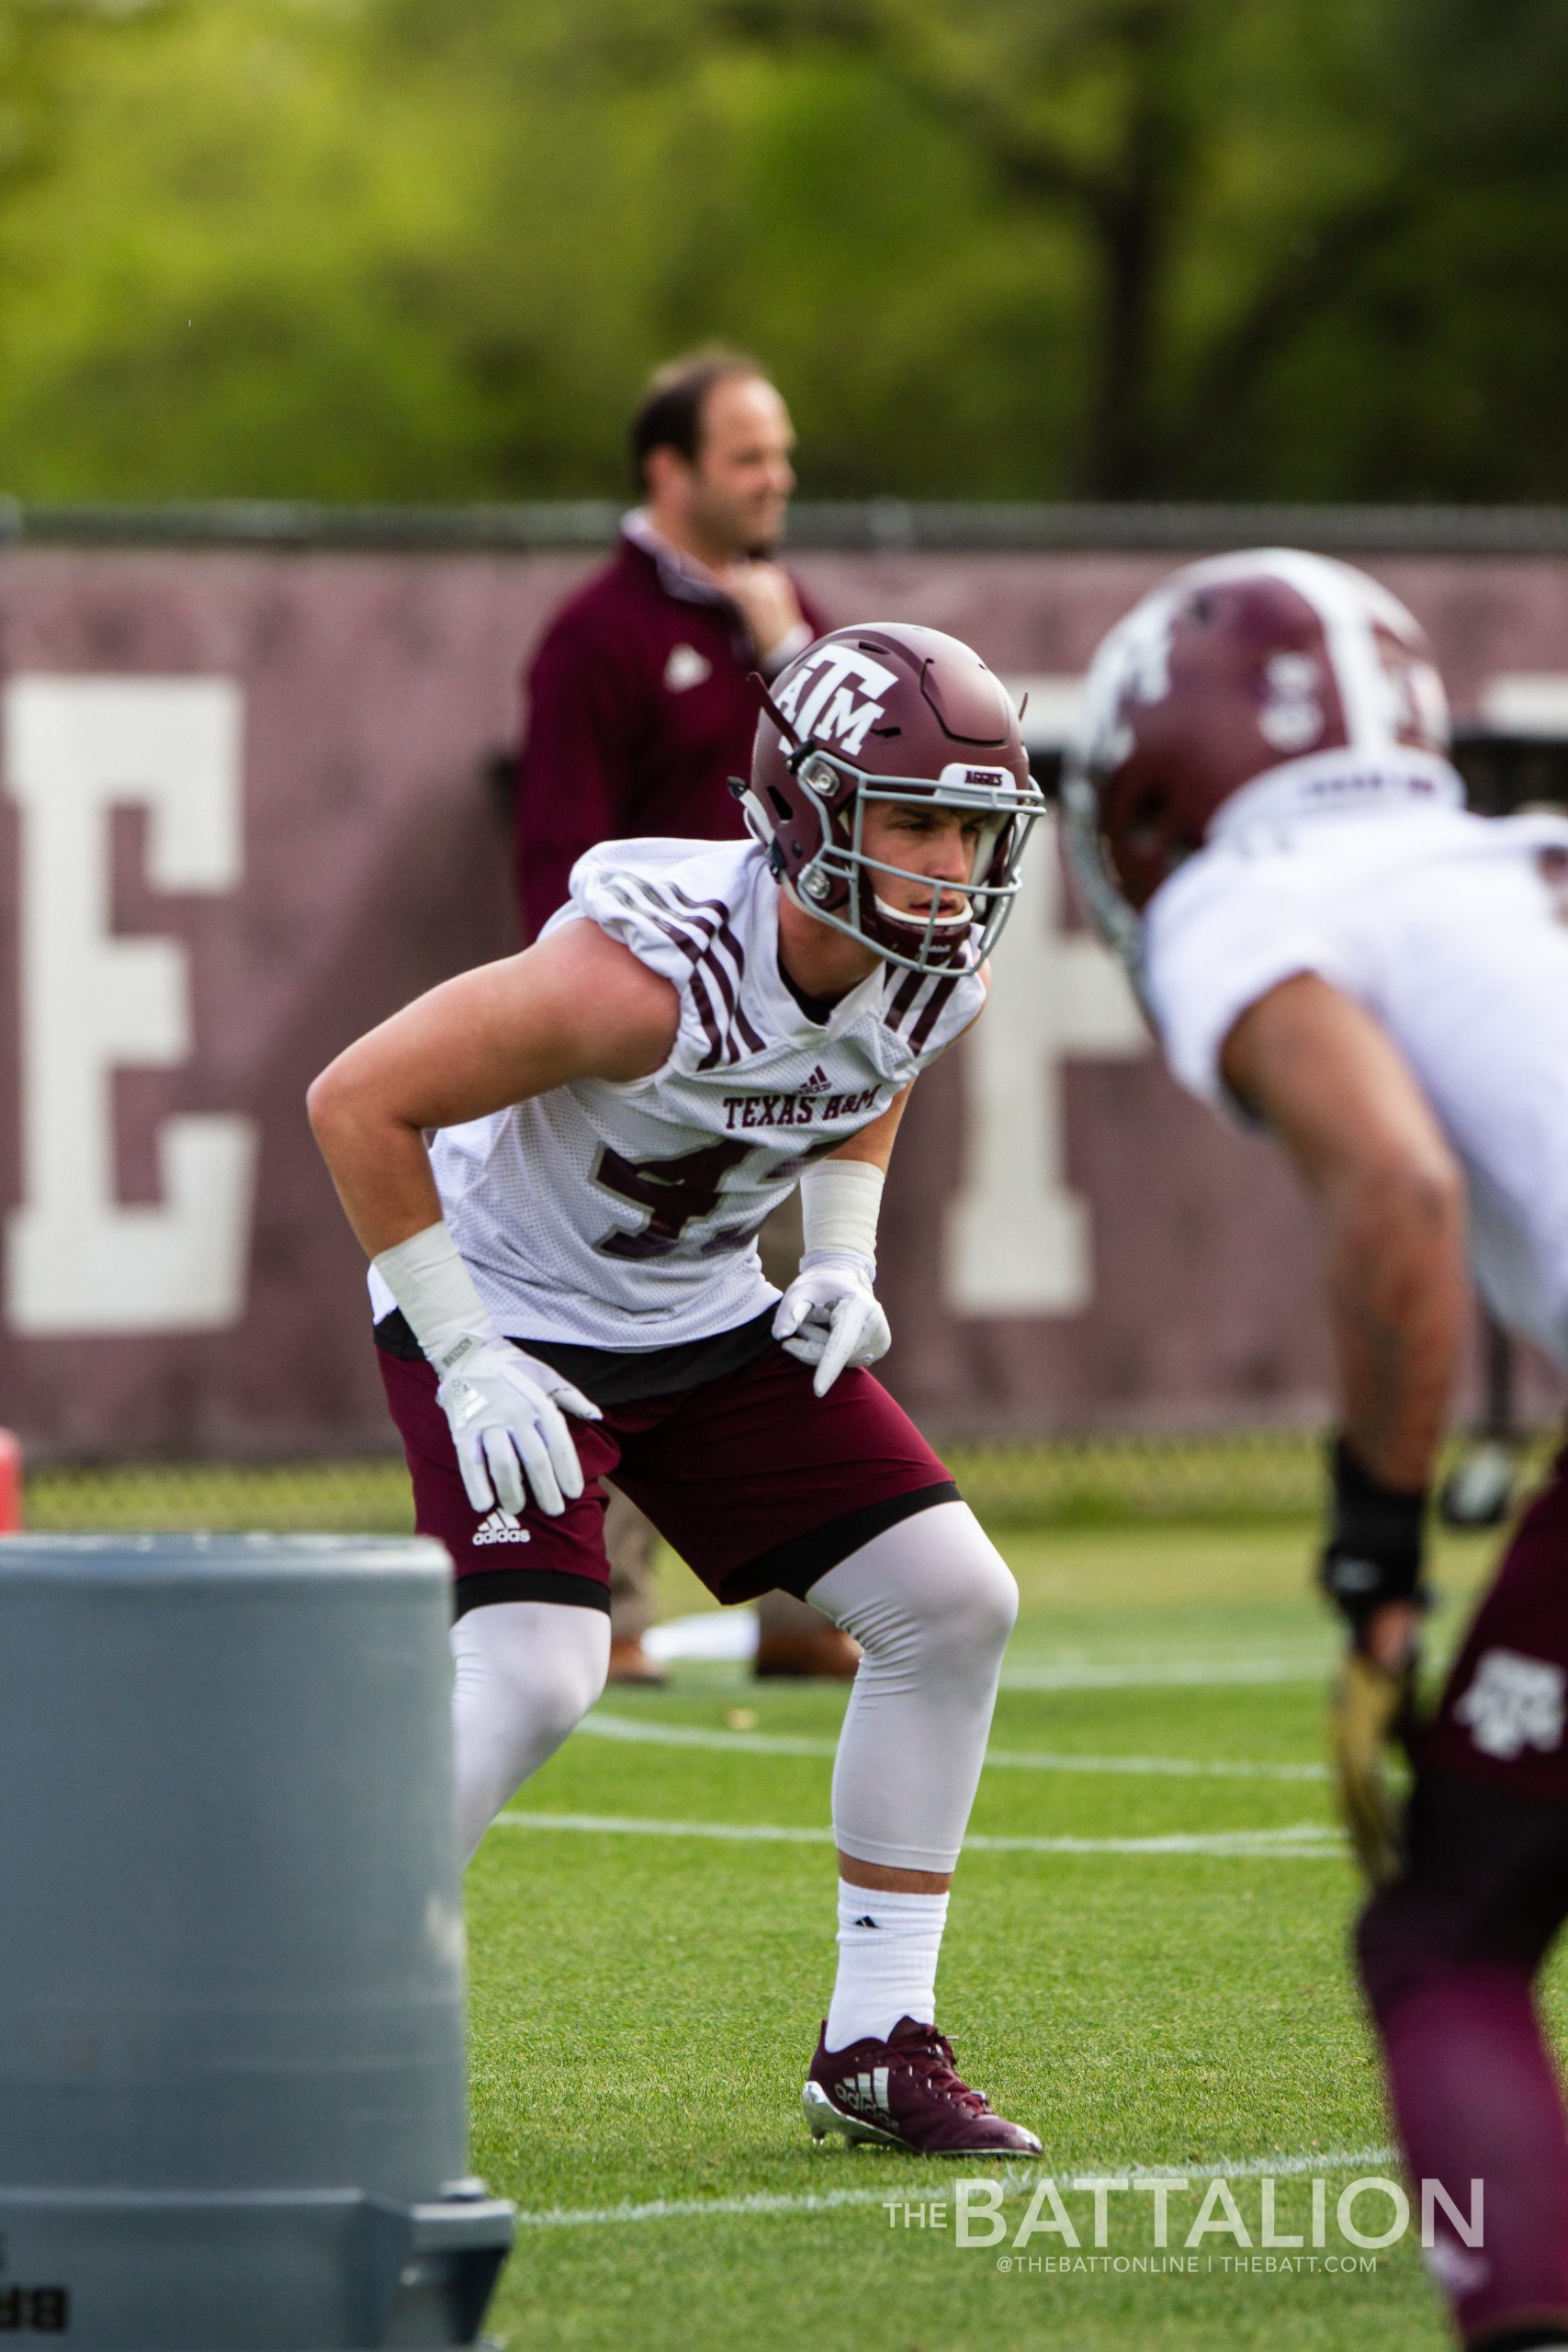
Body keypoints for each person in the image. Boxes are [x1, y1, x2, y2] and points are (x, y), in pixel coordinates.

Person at [310, 622, 1046, 2155]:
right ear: (807, 813)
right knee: (534, 1675)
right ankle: (288, 2014)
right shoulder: (640, 973)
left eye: (975, 825)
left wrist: (838, 1255)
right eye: (915, 817)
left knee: (954, 1600)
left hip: (702, 1313)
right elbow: (356, 1100)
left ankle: (877, 2035)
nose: (953, 861)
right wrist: (463, 1349)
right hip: (509, 1311)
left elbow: (864, 1077)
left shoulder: (929, 965)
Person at [1064, 548, 1568, 2350]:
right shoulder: (1509, 864)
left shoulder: (1250, 894)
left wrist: (1373, 1564)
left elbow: (1396, 1187)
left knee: (1440, 1938)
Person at [514, 346, 840, 1681]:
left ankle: (806, 1595)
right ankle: (613, 1605)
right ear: (671, 471)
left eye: (781, 454)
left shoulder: (787, 615)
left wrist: (785, 650)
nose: (778, 479)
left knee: (806, 1290)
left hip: (793, 1031)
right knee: (614, 1291)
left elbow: (864, 789)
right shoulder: (598, 636)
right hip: (646, 1042)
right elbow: (556, 852)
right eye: (748, 455)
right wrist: (586, 1026)